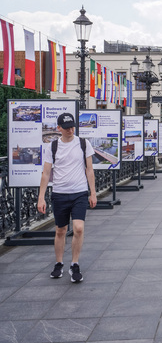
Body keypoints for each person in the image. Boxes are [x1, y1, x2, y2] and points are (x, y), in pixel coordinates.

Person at [37, 113, 97, 283]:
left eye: (72, 126)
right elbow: (46, 173)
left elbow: (89, 170)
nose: (71, 129)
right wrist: (41, 197)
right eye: (67, 127)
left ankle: (75, 264)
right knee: (60, 230)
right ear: (59, 129)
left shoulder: (84, 144)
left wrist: (92, 192)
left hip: (79, 192)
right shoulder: (53, 146)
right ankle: (59, 263)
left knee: (78, 228)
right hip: (59, 193)